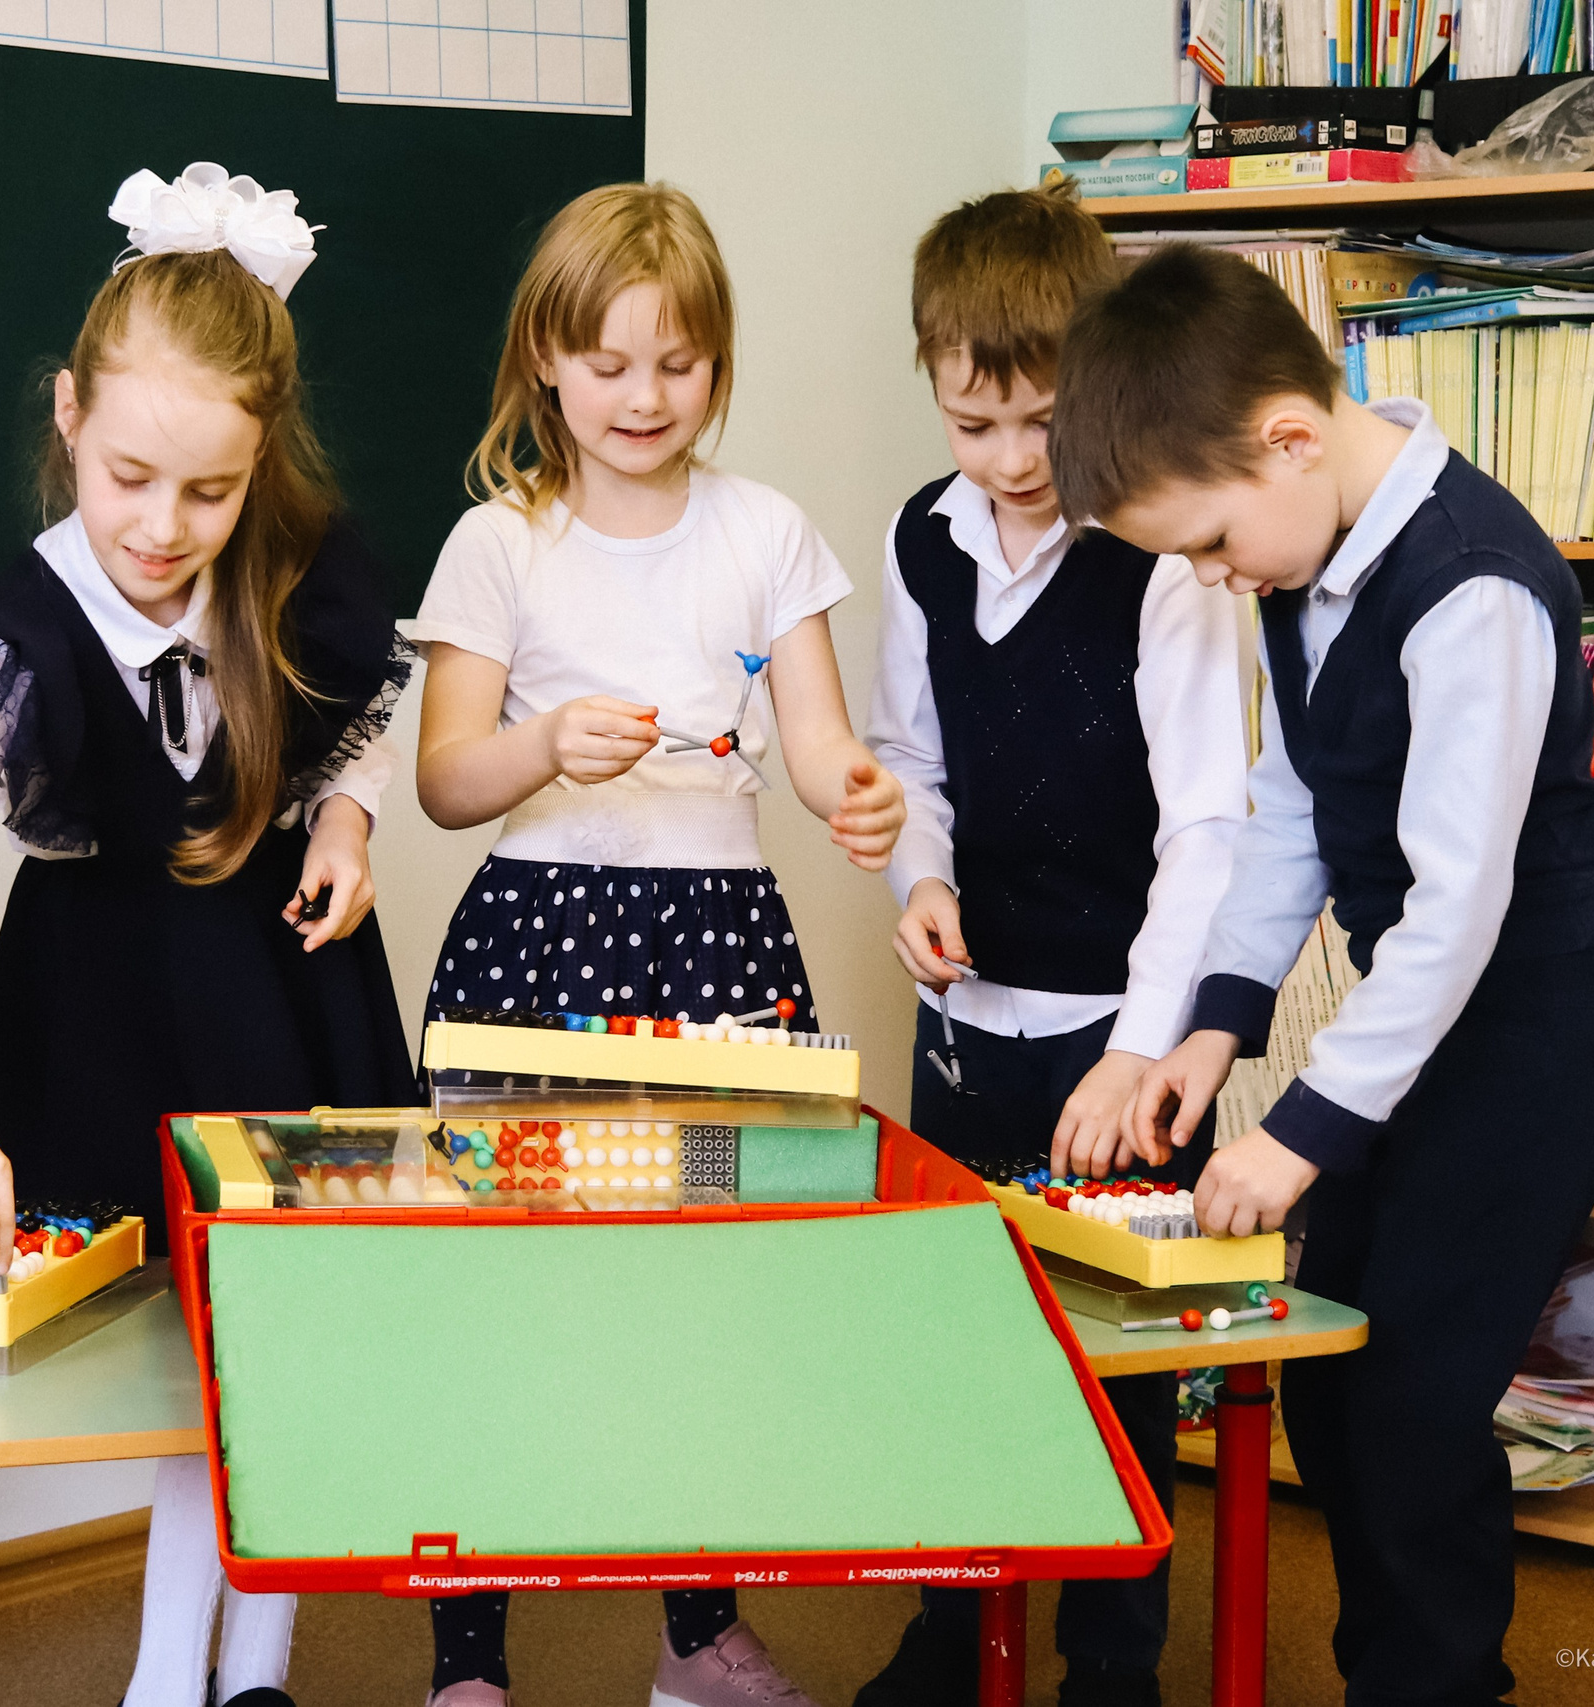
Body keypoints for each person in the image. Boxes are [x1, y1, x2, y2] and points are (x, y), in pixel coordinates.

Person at [0, 163, 417, 1707]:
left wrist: (348, 822)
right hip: (103, 1007)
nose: (167, 529)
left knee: (280, 1347)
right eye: (133, 479)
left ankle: (254, 1679)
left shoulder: (300, 568)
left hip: (290, 1000)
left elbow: (352, 723)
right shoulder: (4, 634)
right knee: (178, 1367)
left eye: (213, 493)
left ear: (261, 465)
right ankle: (169, 1683)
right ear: (70, 415)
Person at [1062, 243, 1594, 1707]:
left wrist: (1298, 1134)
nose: (1206, 576)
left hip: (1530, 1034)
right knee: (1336, 1376)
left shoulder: (1472, 587)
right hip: (1421, 1036)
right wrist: (1216, 1028)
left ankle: (1442, 1688)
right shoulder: (1303, 552)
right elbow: (1292, 808)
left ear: (1289, 439)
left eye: (1204, 543)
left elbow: (1456, 915)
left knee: (1416, 1405)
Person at [410, 179, 904, 1707]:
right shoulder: (500, 541)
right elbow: (444, 783)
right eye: (610, 362)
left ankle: (699, 1638)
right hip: (536, 946)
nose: (644, 396)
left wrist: (858, 799)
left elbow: (816, 741)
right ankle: (468, 1659)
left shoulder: (767, 531)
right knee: (505, 1300)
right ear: (545, 361)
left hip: (718, 947)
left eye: (678, 364)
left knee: (713, 1298)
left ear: (719, 366)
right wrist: (548, 740)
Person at [855, 187, 1246, 1707]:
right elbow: (914, 756)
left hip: (1123, 1036)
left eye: (1042, 422)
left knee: (1121, 1373)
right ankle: (958, 1632)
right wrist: (923, 877)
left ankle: (1110, 1664)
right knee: (965, 1349)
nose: (1015, 464)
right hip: (972, 1027)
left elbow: (1210, 830)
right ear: (933, 383)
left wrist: (1141, 1049)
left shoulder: (1164, 557)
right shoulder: (919, 542)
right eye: (976, 424)